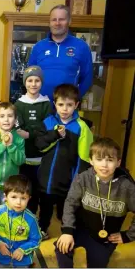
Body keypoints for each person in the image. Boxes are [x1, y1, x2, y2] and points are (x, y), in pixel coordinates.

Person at [55, 137, 135, 268]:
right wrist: (67, 231)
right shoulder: (83, 178)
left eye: (110, 160)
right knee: (61, 248)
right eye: (99, 159)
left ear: (118, 162)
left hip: (105, 237)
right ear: (91, 161)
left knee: (97, 264)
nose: (104, 165)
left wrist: (128, 235)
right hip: (80, 229)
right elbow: (70, 203)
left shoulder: (127, 187)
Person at [35, 84, 93, 240]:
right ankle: (42, 229)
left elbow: (84, 159)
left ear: (76, 105)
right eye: (61, 104)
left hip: (68, 180)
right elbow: (39, 145)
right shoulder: (48, 122)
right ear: (55, 104)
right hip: (46, 179)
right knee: (45, 207)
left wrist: (77, 181)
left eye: (69, 105)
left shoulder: (82, 128)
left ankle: (68, 234)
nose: (65, 109)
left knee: (66, 210)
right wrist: (55, 134)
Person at [28, 4, 93, 102]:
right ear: (49, 23)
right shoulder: (39, 46)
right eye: (54, 19)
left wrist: (73, 100)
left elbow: (87, 79)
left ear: (69, 21)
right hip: (40, 106)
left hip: (66, 108)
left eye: (62, 19)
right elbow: (29, 75)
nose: (57, 23)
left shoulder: (81, 47)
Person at [15, 66, 52, 214]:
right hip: (24, 155)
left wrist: (30, 134)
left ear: (41, 83)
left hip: (42, 155)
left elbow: (46, 127)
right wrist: (31, 132)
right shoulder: (18, 104)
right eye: (30, 80)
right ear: (25, 83)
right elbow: (18, 128)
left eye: (37, 80)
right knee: (24, 188)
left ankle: (38, 221)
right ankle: (25, 216)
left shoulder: (47, 104)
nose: (33, 84)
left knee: (39, 189)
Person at [0, 102, 26, 225]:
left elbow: (20, 160)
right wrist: (2, 146)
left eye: (10, 116)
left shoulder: (18, 138)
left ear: (15, 119)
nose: (6, 119)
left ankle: (5, 231)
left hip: (10, 185)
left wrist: (11, 146)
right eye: (2, 116)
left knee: (8, 211)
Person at [0, 175, 41, 268]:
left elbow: (36, 240)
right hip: (1, 257)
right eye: (14, 197)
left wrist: (22, 250)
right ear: (5, 196)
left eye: (23, 198)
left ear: (29, 198)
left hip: (22, 260)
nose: (18, 202)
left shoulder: (31, 219)